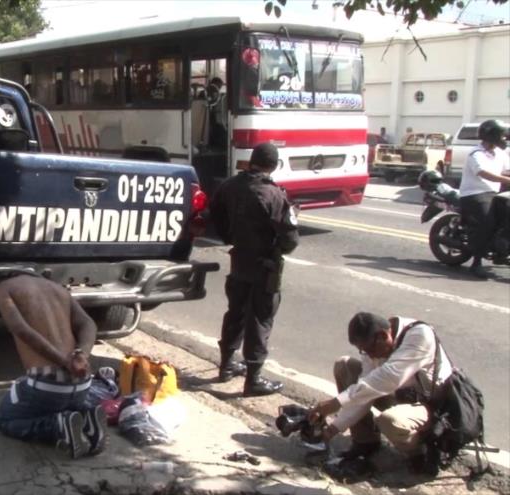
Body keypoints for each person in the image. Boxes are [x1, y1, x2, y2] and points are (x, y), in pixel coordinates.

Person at [309, 312, 453, 472]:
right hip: (402, 395)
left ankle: (421, 453)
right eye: (363, 351)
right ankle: (365, 441)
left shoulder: (419, 336)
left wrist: (336, 403)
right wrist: (332, 429)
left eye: (369, 350)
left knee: (389, 420)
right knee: (344, 366)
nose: (369, 355)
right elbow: (365, 389)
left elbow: (389, 378)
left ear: (383, 336)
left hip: (434, 407)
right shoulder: (373, 346)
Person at [210, 142, 299, 396]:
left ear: (252, 161)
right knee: (260, 319)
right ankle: (254, 379)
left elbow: (215, 213)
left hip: (239, 260)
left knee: (235, 313)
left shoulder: (230, 185)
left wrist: (230, 236)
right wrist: (278, 247)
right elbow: (290, 239)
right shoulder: (274, 194)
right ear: (274, 165)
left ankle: (227, 365)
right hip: (264, 266)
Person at [0, 273, 107, 459]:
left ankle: (57, 425)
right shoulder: (58, 288)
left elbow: (21, 329)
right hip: (83, 381)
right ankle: (87, 419)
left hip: (47, 384)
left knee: (6, 420)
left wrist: (64, 361)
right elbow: (88, 323)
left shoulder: (3, 289)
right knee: (40, 393)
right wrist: (81, 354)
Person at [458, 119, 510, 278]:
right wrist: (507, 180)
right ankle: (476, 262)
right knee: (487, 222)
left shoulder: (500, 153)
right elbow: (483, 173)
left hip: (494, 193)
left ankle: (502, 247)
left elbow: (507, 170)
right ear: (492, 136)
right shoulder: (476, 153)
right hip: (474, 194)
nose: (505, 138)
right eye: (502, 135)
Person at [206, 77, 227, 149]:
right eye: (219, 86)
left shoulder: (216, 94)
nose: (219, 89)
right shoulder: (207, 93)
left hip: (214, 116)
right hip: (208, 116)